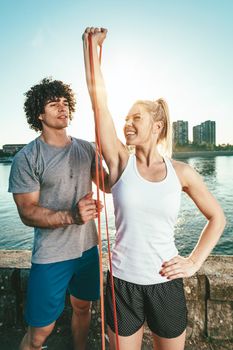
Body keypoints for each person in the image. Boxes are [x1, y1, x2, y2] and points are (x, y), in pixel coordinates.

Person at [82, 27, 226, 350]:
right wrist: (90, 48)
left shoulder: (182, 172)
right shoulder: (120, 161)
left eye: (137, 118)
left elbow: (217, 218)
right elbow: (99, 105)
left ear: (157, 126)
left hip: (166, 285)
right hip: (122, 285)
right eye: (126, 118)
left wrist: (193, 262)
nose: (127, 123)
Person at [8, 77, 109, 350]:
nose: (62, 108)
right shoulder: (27, 158)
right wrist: (72, 216)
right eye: (54, 104)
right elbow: (27, 213)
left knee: (82, 307)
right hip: (51, 256)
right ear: (39, 114)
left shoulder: (86, 148)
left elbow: (109, 185)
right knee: (39, 332)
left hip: (88, 250)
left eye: (65, 103)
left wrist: (112, 150)